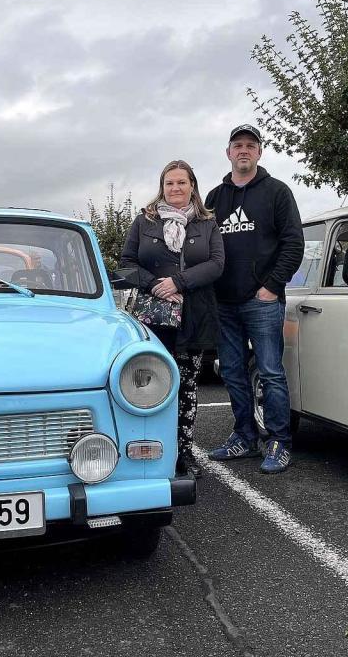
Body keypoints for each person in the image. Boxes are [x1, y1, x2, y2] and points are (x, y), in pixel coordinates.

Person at [206, 124, 304, 475]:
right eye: (238, 145)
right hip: (224, 303)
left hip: (262, 301)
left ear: (260, 152)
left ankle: (279, 440)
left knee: (270, 371)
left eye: (251, 145)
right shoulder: (215, 198)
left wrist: (272, 286)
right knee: (232, 372)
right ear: (228, 153)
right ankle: (244, 437)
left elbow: (294, 244)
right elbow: (203, 246)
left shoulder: (277, 192)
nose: (244, 150)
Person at [119, 160, 224, 478]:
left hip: (194, 317)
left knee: (187, 387)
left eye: (182, 182)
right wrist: (154, 284)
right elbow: (126, 262)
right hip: (153, 319)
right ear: (161, 187)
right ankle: (146, 451)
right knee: (147, 384)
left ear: (192, 185)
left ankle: (184, 453)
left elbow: (218, 263)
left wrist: (180, 281)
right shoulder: (144, 221)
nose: (176, 188)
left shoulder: (207, 224)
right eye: (169, 183)